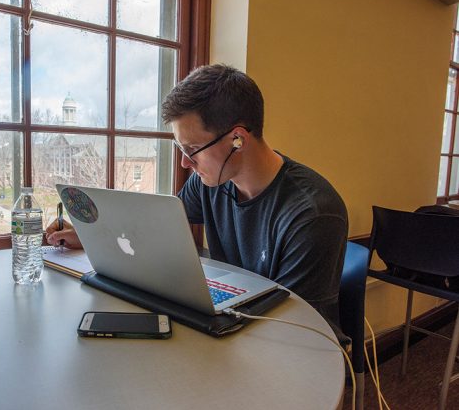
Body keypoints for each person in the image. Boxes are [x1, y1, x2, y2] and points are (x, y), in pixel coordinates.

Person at [46, 64, 348, 334]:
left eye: (192, 149)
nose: (185, 164)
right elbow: (155, 228)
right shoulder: (210, 182)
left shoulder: (312, 213)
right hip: (232, 327)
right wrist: (89, 235)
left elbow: (296, 327)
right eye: (181, 150)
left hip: (287, 347)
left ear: (237, 139)